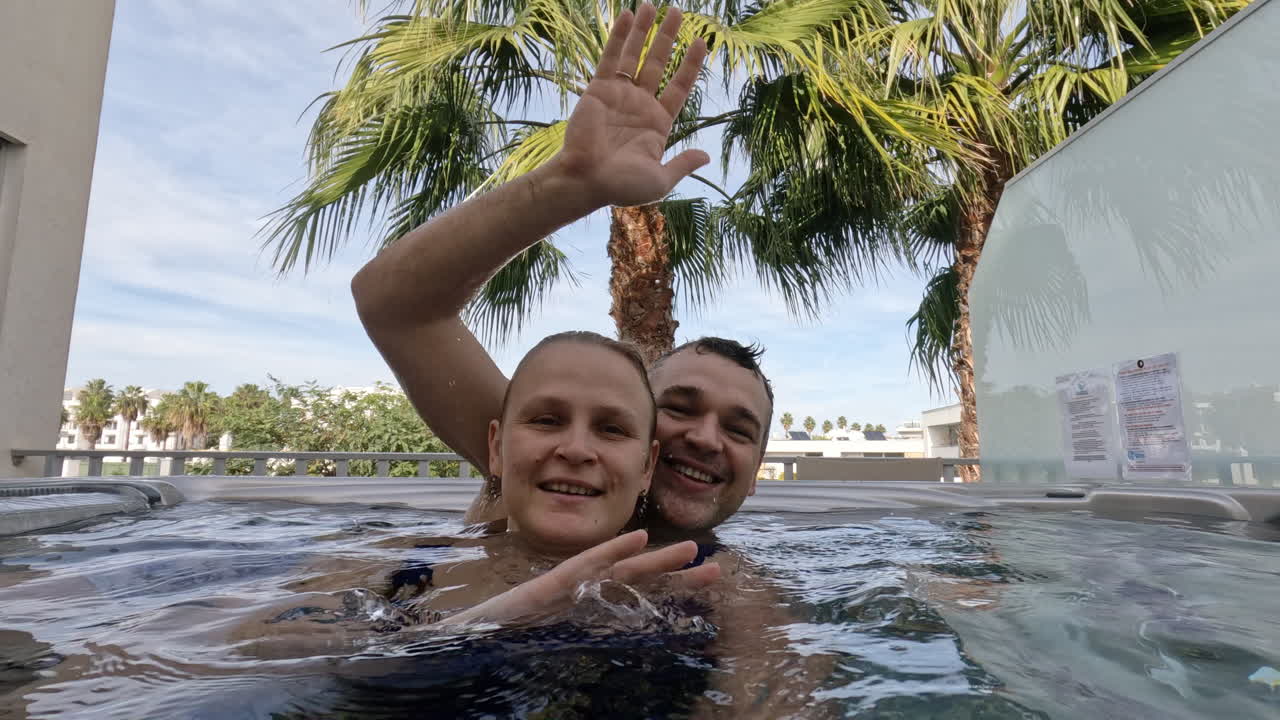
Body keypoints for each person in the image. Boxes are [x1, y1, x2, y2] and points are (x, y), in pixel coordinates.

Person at [349, 2, 774, 538]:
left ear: (757, 472)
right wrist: (572, 184)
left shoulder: (741, 588)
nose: (707, 439)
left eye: (739, 430)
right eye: (678, 408)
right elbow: (393, 305)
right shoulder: (535, 469)